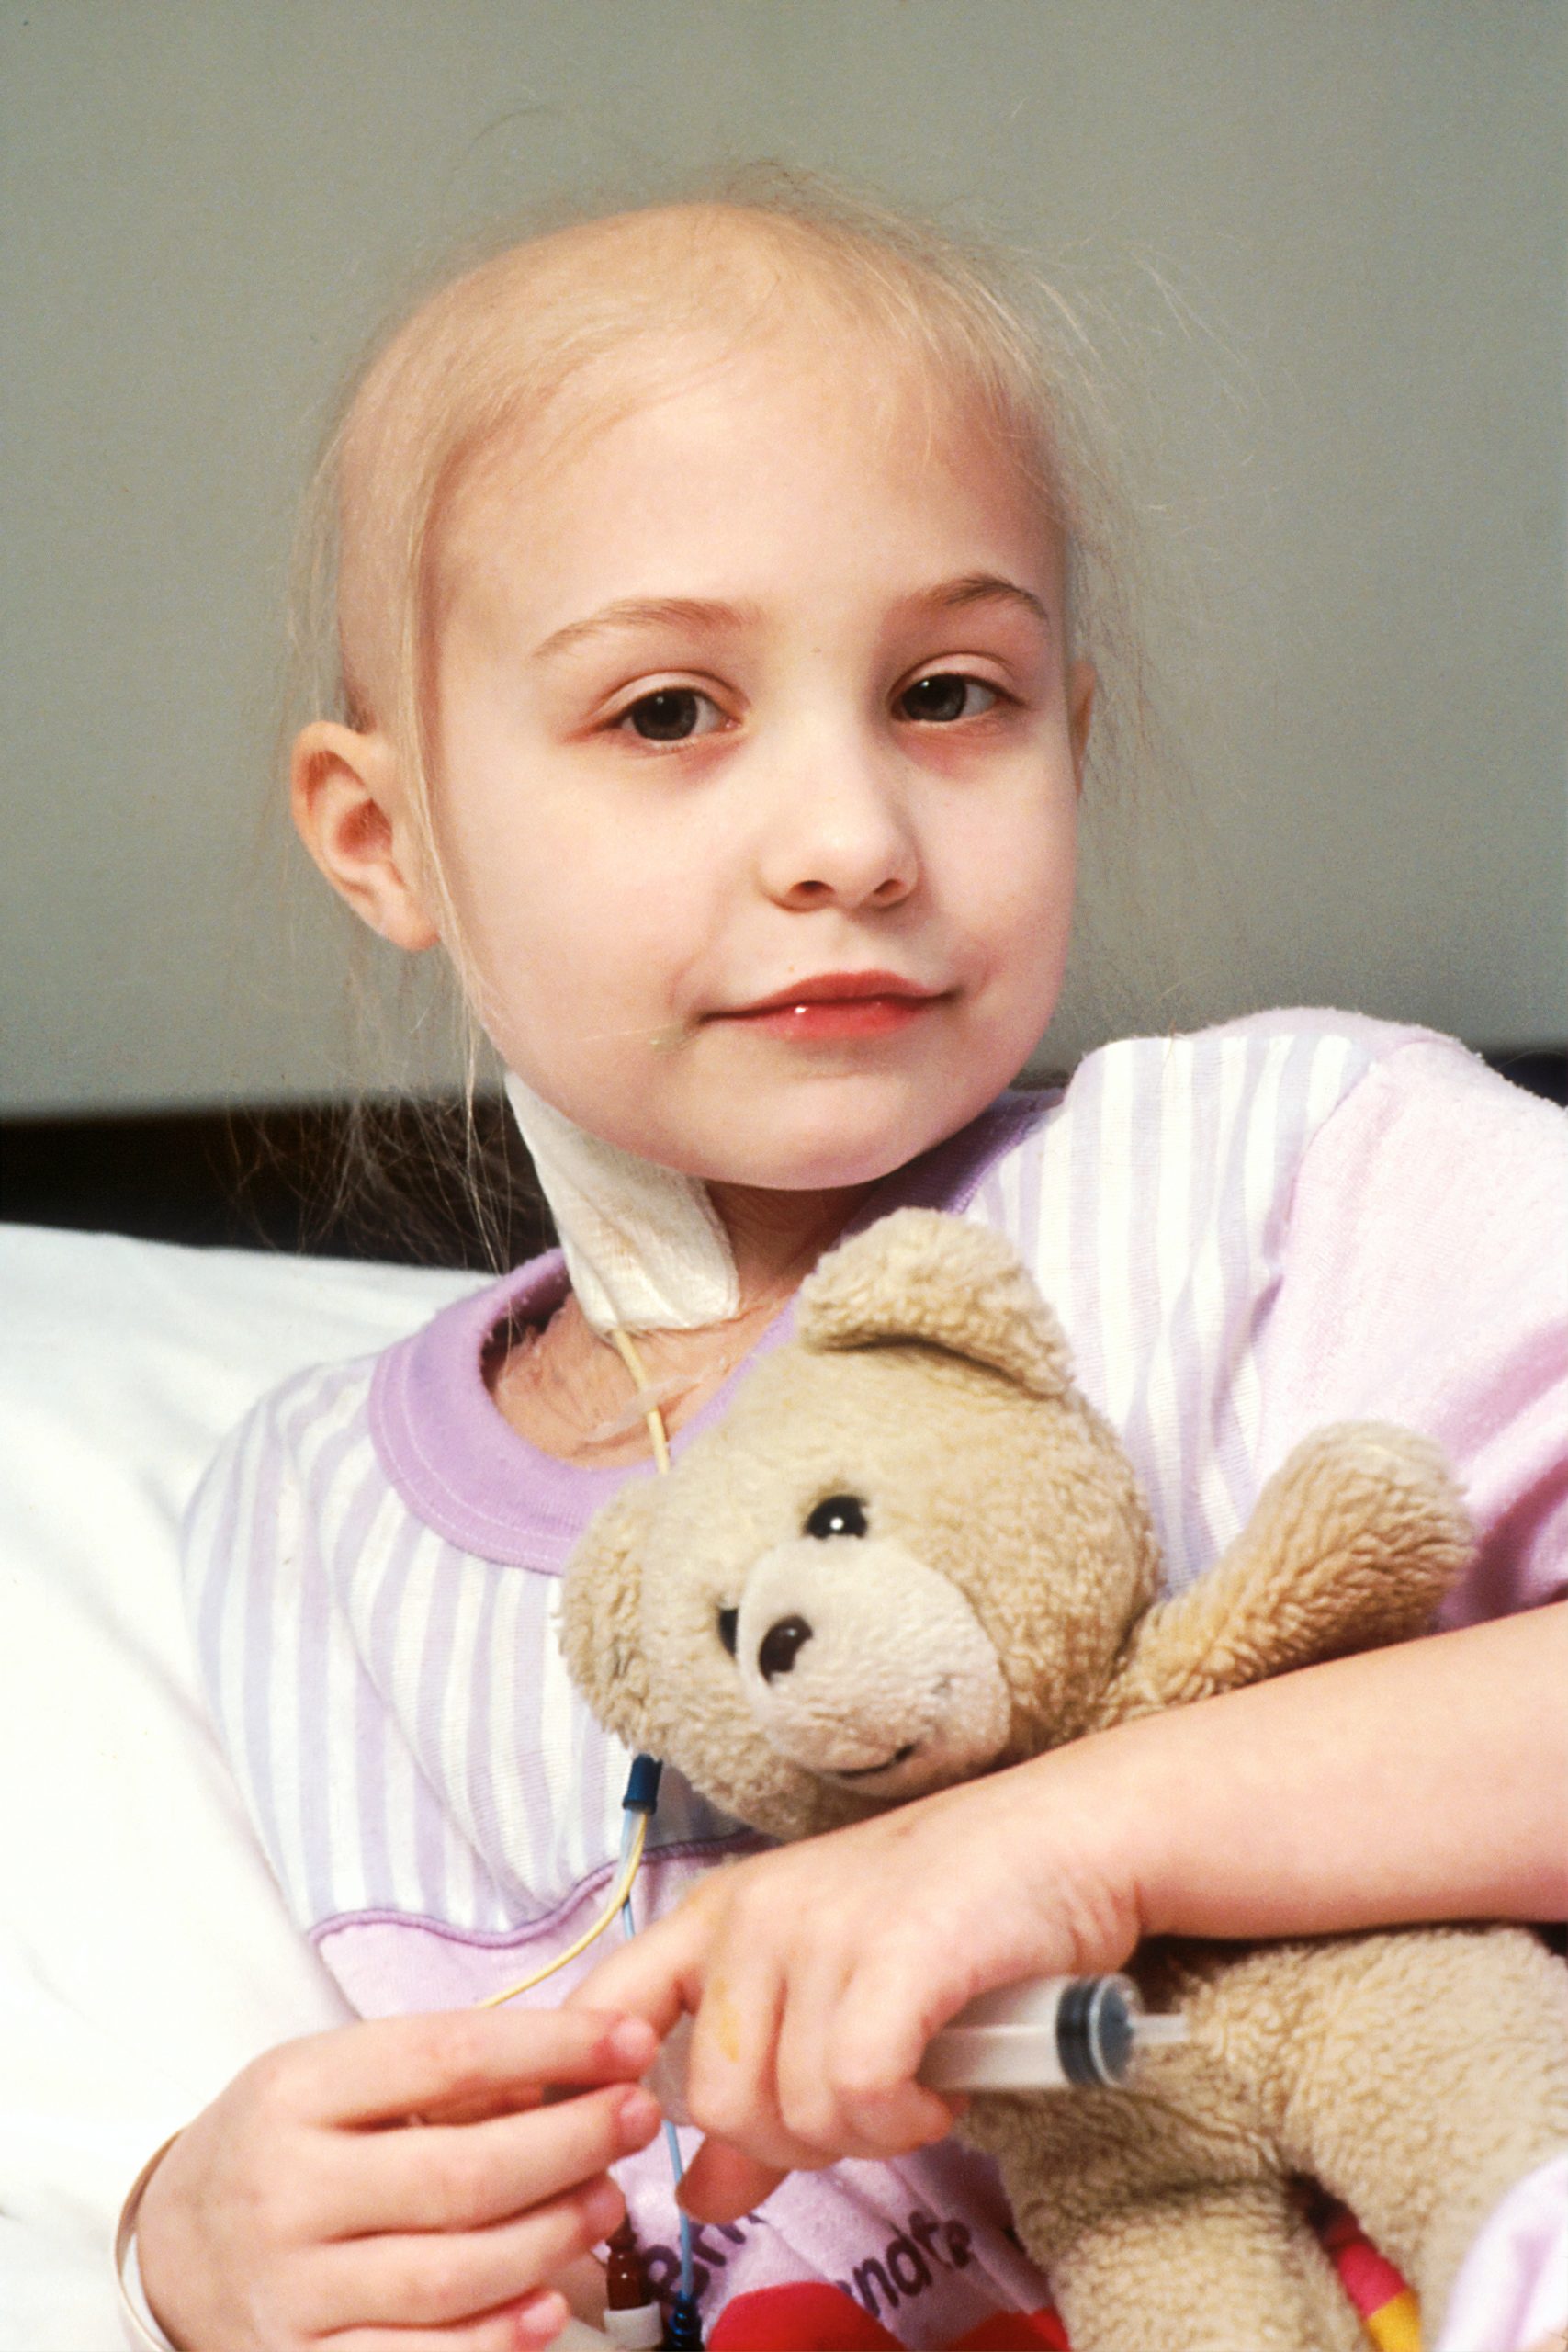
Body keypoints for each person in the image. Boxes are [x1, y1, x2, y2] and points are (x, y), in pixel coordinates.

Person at [127, 178, 1566, 2352]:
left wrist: (1082, 1841)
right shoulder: (296, 1532)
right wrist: (189, 2230)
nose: (849, 833)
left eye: (946, 689)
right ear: (385, 833)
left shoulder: (1285, 1181)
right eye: (667, 714)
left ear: (1067, 738)